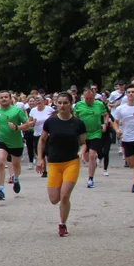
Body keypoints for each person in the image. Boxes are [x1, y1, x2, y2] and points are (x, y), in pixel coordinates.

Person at [37, 93, 85, 236]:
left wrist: (82, 151)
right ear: (56, 104)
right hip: (54, 163)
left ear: (71, 104)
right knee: (54, 199)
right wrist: (40, 158)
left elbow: (83, 143)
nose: (62, 106)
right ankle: (62, 215)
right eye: (60, 103)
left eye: (65, 103)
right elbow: (42, 140)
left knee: (64, 195)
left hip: (71, 162)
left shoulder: (78, 123)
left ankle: (62, 224)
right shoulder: (50, 122)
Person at [0, 91, 31, 201]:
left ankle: (16, 179)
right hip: (1, 140)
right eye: (1, 97)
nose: (4, 99)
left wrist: (17, 127)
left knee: (16, 164)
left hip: (16, 142)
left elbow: (27, 126)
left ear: (10, 99)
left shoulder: (17, 111)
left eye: (6, 97)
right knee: (0, 162)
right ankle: (1, 190)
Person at [73, 87, 110, 189]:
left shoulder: (99, 104)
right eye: (87, 98)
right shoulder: (79, 105)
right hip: (83, 134)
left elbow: (106, 115)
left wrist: (105, 124)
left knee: (92, 155)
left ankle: (90, 179)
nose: (89, 100)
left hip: (95, 133)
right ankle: (92, 163)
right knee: (86, 157)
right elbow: (74, 117)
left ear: (94, 97)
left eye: (91, 98)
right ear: (84, 97)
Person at [27, 93, 55, 177]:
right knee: (40, 153)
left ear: (44, 101)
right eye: (36, 100)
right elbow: (29, 122)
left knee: (49, 153)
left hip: (48, 134)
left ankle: (52, 169)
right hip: (37, 134)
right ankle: (44, 171)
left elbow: (55, 118)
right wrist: (32, 123)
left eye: (39, 100)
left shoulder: (49, 109)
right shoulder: (33, 110)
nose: (38, 101)